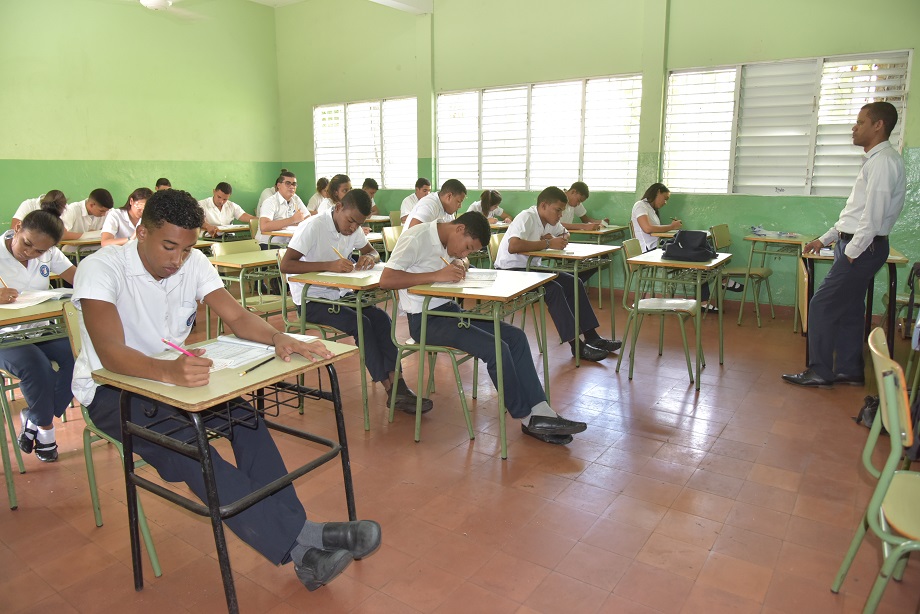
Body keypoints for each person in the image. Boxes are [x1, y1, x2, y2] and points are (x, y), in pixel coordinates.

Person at [71, 189, 381, 590]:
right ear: (141, 231)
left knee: (248, 422)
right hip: (114, 391)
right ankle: (305, 541)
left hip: (175, 381)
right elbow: (111, 354)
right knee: (191, 447)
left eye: (186, 249)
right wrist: (168, 373)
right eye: (168, 247)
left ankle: (302, 545)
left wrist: (277, 338)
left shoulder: (193, 262)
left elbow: (234, 314)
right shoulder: (102, 268)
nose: (176, 260)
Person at [379, 211, 587, 444]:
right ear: (459, 229)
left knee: (516, 337)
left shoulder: (451, 241)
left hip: (449, 312)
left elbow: (460, 260)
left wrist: (461, 262)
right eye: (467, 247)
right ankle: (528, 418)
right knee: (495, 348)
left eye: (471, 251)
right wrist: (437, 275)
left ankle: (542, 410)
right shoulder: (416, 237)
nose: (465, 252)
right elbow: (386, 279)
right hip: (426, 321)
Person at [783, 101, 906, 388]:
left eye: (861, 122)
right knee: (851, 309)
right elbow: (854, 214)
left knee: (821, 305)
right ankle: (850, 369)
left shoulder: (884, 162)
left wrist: (850, 254)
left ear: (879, 125)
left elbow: (872, 219)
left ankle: (820, 371)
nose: (855, 127)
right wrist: (824, 239)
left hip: (862, 249)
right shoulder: (875, 161)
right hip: (858, 246)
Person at [279, 189, 432, 414]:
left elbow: (373, 252)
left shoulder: (353, 227)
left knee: (380, 318)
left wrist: (369, 257)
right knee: (361, 322)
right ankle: (392, 390)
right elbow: (286, 265)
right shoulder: (314, 226)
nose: (352, 228)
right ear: (339, 207)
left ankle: (399, 385)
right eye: (351, 221)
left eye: (358, 224)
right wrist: (328, 264)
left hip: (340, 295)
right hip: (311, 300)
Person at [494, 186, 621, 362]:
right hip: (510, 272)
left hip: (531, 270)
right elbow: (513, 246)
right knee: (554, 289)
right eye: (558, 210)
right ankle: (577, 347)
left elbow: (564, 233)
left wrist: (561, 239)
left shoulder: (549, 221)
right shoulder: (527, 217)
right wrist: (547, 242)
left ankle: (592, 337)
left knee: (573, 282)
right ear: (544, 205)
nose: (561, 214)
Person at [1, 207, 77, 462]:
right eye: (27, 244)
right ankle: (45, 430)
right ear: (18, 227)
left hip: (42, 328)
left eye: (40, 251)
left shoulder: (49, 253)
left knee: (79, 355)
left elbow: (76, 277)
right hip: (5, 334)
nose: (30, 253)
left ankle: (34, 418)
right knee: (37, 366)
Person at [632, 183, 740, 309]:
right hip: (650, 251)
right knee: (695, 253)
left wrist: (672, 230)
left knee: (699, 243)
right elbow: (647, 228)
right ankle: (711, 292)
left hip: (660, 246)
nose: (665, 202)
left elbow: (654, 231)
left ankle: (720, 281)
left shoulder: (650, 209)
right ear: (658, 192)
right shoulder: (640, 205)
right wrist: (671, 227)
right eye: (665, 198)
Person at [255, 170, 308, 248]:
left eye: (294, 184)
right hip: (269, 243)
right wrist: (292, 220)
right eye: (287, 183)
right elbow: (264, 227)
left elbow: (307, 218)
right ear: (279, 185)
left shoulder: (295, 199)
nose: (292, 187)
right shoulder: (270, 202)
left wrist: (289, 223)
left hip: (288, 243)